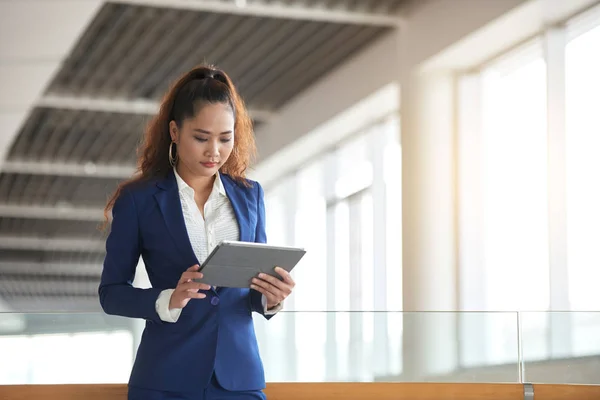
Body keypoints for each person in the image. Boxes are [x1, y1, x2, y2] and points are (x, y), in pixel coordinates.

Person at [98, 64, 295, 400]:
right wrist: (167, 299)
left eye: (225, 138)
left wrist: (270, 297)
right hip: (165, 376)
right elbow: (111, 293)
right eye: (201, 138)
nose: (214, 151)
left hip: (238, 379)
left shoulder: (251, 196)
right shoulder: (139, 200)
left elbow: (250, 290)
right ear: (174, 132)